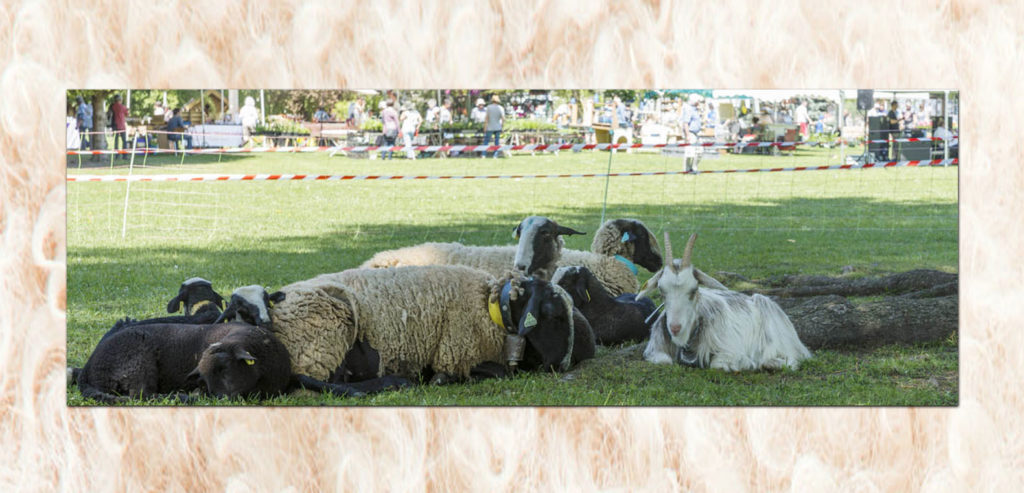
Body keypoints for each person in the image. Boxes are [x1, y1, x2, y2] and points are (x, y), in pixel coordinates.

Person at [110, 94, 129, 159]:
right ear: (120, 99)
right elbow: (127, 114)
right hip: (122, 126)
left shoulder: (112, 106)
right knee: (124, 141)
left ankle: (116, 155)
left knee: (116, 141)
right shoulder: (123, 107)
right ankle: (124, 155)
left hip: (115, 125)